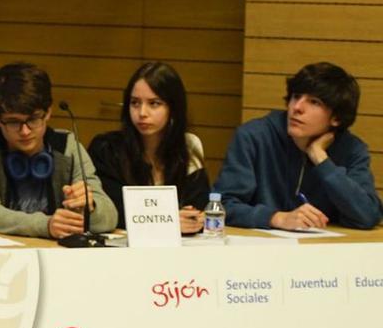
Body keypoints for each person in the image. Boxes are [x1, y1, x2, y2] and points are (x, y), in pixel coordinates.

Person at [214, 62, 381, 230]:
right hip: (259, 248)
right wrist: (276, 218)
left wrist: (322, 160)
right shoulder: (254, 137)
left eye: (314, 102)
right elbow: (222, 205)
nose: (297, 107)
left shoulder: (352, 150)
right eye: (296, 96)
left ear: (336, 118)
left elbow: (368, 215)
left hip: (323, 250)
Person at [0, 62, 117, 239]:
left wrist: (91, 207)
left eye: (33, 119)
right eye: (13, 122)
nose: (25, 131)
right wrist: (46, 225)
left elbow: (111, 217)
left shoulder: (67, 147)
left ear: (48, 112)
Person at [88, 62, 210, 234]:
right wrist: (168, 222)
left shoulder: (189, 145)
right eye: (135, 103)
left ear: (173, 108)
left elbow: (199, 207)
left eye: (154, 103)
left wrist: (193, 219)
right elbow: (113, 212)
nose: (142, 112)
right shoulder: (106, 149)